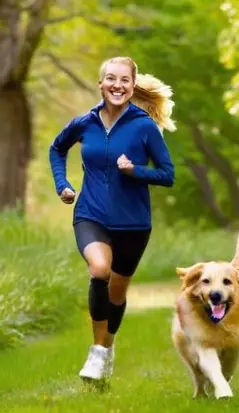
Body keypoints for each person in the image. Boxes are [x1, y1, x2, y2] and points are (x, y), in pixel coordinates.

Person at [48, 56, 177, 382]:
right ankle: (97, 353)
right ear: (101, 83)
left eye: (124, 80)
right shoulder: (84, 122)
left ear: (133, 86)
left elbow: (167, 174)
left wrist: (135, 171)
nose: (117, 85)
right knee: (99, 270)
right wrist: (62, 184)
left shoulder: (144, 126)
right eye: (111, 79)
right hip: (90, 215)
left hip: (133, 224)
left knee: (117, 293)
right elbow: (56, 148)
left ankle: (107, 346)